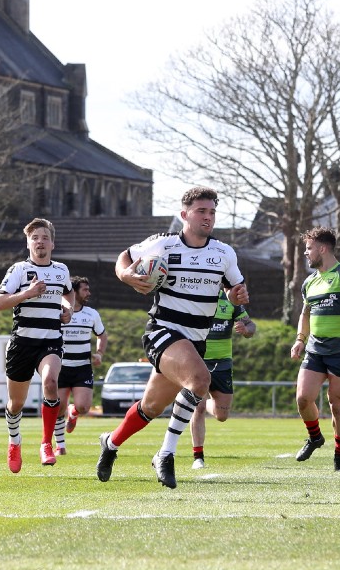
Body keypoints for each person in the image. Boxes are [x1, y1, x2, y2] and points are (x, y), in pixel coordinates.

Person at [97, 186, 248, 489]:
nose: (208, 217)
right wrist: (127, 275)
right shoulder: (162, 245)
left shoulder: (223, 253)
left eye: (212, 212)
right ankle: (165, 454)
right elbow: (123, 258)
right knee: (200, 382)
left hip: (196, 341)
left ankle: (110, 443)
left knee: (149, 408)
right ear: (184, 215)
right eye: (202, 211)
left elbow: (236, 290)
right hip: (162, 331)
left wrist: (236, 294)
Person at [0, 218, 73, 472]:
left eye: (44, 237)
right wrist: (28, 293)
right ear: (28, 243)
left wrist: (68, 308)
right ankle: (14, 442)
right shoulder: (18, 270)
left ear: (52, 243)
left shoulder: (61, 270)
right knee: (16, 403)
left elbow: (68, 293)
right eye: (35, 238)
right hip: (22, 343)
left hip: (50, 339)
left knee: (51, 383)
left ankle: (46, 444)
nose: (40, 242)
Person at [290, 226, 340, 472]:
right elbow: (305, 314)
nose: (306, 253)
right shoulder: (309, 282)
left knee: (336, 402)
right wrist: (300, 339)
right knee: (303, 398)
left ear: (322, 249)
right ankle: (315, 437)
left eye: (309, 248)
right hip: (315, 348)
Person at [188, 294, 257, 470]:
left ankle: (206, 402)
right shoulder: (196, 297)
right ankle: (198, 457)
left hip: (222, 363)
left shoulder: (231, 300)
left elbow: (251, 325)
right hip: (198, 360)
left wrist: (246, 329)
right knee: (199, 407)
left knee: (222, 415)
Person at [52, 275, 106, 455]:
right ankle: (60, 446)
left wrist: (99, 353)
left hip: (83, 368)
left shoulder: (91, 314)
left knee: (84, 407)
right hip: (60, 367)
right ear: (73, 292)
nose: (88, 293)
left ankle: (73, 412)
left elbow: (102, 335)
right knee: (57, 408)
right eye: (85, 289)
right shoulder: (58, 312)